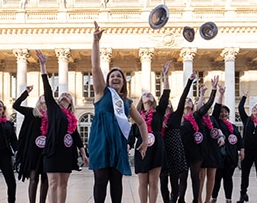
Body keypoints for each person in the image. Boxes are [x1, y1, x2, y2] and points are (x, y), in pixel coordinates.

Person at [89, 21, 148, 203]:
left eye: (119, 76)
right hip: (100, 142)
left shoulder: (127, 103)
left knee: (117, 182)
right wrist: (96, 42)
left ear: (123, 82)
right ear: (108, 80)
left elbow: (141, 122)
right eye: (112, 76)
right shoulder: (101, 92)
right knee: (100, 181)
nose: (115, 77)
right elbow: (95, 67)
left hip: (118, 143)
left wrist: (145, 141)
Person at [36, 49, 89, 203]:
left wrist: (83, 154)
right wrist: (43, 66)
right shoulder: (52, 109)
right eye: (63, 94)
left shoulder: (71, 117)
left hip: (66, 152)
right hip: (52, 149)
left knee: (64, 184)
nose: (66, 95)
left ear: (71, 102)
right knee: (53, 183)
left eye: (68, 95)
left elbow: (76, 137)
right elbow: (47, 89)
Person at [128, 61, 171, 203]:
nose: (148, 95)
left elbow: (165, 96)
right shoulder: (137, 116)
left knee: (153, 182)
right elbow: (132, 134)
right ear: (141, 100)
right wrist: (127, 146)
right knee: (142, 182)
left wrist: (165, 77)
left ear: (153, 100)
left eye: (150, 94)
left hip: (157, 147)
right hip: (142, 148)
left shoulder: (158, 113)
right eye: (145, 94)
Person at [179, 76, 219, 203]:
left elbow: (208, 104)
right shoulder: (176, 117)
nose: (188, 101)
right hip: (182, 151)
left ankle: (196, 200)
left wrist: (213, 89)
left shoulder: (196, 116)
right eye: (185, 100)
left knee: (195, 177)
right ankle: (181, 199)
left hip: (195, 152)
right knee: (182, 178)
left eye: (190, 100)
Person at [160, 73, 195, 203]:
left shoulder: (176, 115)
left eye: (169, 102)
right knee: (163, 180)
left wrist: (190, 81)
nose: (167, 103)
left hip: (175, 149)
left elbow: (183, 97)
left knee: (175, 180)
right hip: (163, 149)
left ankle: (174, 200)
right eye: (165, 102)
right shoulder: (158, 118)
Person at [13, 84, 49, 203]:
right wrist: (25, 93)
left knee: (45, 179)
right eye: (42, 97)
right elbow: (16, 105)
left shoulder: (52, 116)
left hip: (46, 150)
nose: (44, 98)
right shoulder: (32, 112)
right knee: (33, 178)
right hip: (32, 150)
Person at [210, 85, 244, 203]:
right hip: (219, 157)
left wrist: (242, 150)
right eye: (222, 112)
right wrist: (221, 94)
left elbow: (240, 140)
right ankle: (213, 197)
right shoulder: (216, 122)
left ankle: (228, 199)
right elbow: (216, 109)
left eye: (226, 112)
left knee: (228, 179)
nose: (223, 114)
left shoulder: (233, 127)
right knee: (217, 179)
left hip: (231, 157)